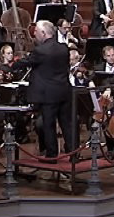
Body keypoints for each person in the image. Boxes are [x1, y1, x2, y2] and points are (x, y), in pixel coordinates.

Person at [13, 21, 74, 158]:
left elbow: (27, 62)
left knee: (49, 125)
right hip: (64, 92)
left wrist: (13, 64)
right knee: (67, 125)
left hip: (48, 95)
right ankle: (73, 154)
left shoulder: (40, 51)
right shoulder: (64, 48)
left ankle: (52, 156)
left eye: (36, 32)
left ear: (43, 33)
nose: (34, 35)